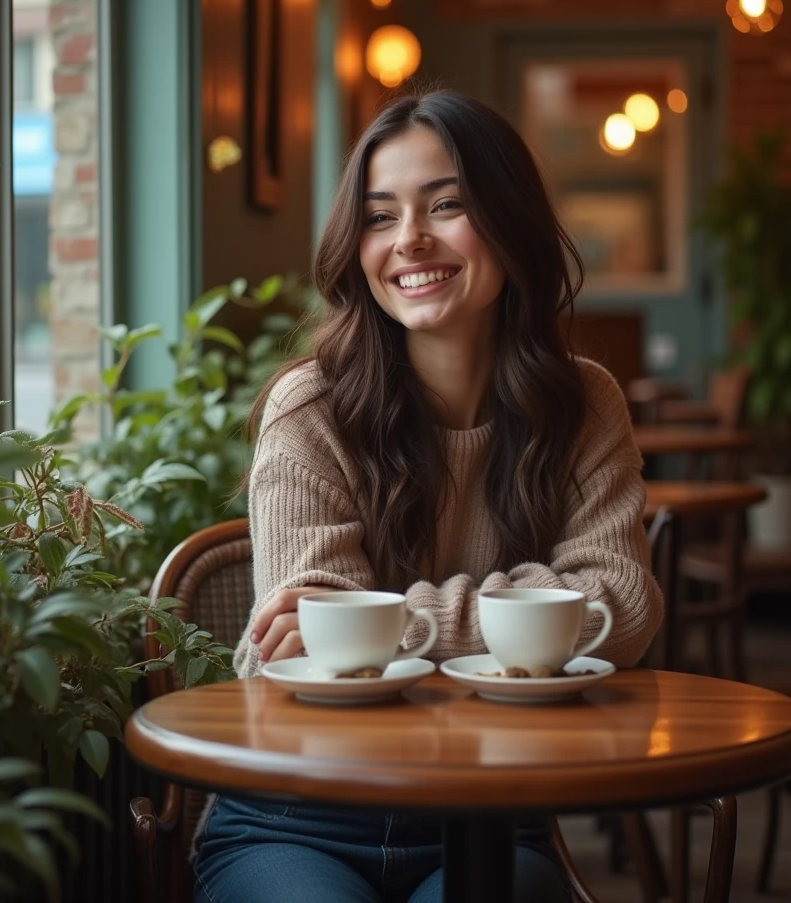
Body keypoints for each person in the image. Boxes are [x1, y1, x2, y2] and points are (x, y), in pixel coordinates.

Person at [192, 89, 664, 903]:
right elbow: (300, 643)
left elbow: (620, 604)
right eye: (379, 216)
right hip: (298, 814)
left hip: (492, 810)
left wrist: (392, 624)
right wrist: (521, 622)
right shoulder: (312, 406)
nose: (409, 238)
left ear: (510, 221)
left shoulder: (585, 404)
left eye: (446, 205)